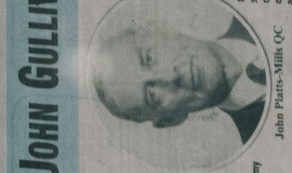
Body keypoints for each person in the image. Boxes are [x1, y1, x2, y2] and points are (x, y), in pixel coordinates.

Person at [88, 2, 268, 158]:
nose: (170, 77)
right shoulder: (262, 152)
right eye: (152, 95)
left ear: (160, 28)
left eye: (149, 58)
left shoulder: (258, 10)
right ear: (170, 120)